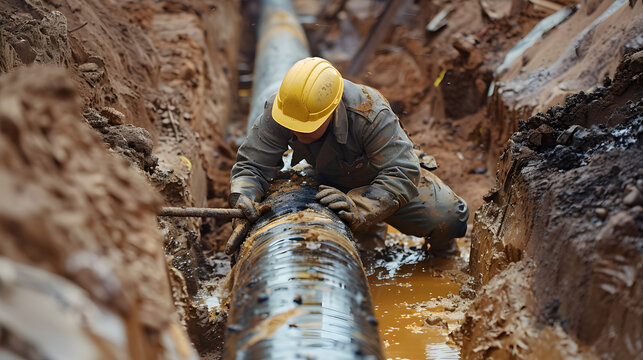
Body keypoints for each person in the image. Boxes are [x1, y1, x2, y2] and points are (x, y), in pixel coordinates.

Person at [228, 57, 468, 257]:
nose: (298, 132)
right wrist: (243, 195)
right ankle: (368, 237)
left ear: (332, 111)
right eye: (293, 125)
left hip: (380, 182)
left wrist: (361, 208)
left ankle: (441, 252)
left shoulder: (370, 113)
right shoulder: (282, 109)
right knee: (364, 251)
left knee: (447, 215)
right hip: (324, 177)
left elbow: (402, 172)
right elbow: (252, 165)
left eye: (308, 125)